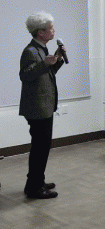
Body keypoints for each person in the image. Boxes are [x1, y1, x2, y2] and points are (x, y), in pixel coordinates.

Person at [19, 12, 66, 200]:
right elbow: (25, 75)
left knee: (42, 147)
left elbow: (48, 73)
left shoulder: (42, 49)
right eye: (50, 28)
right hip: (37, 108)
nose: (53, 31)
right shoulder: (30, 51)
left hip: (44, 106)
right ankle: (35, 189)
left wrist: (58, 58)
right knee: (40, 148)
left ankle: (36, 182)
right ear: (40, 32)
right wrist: (44, 63)